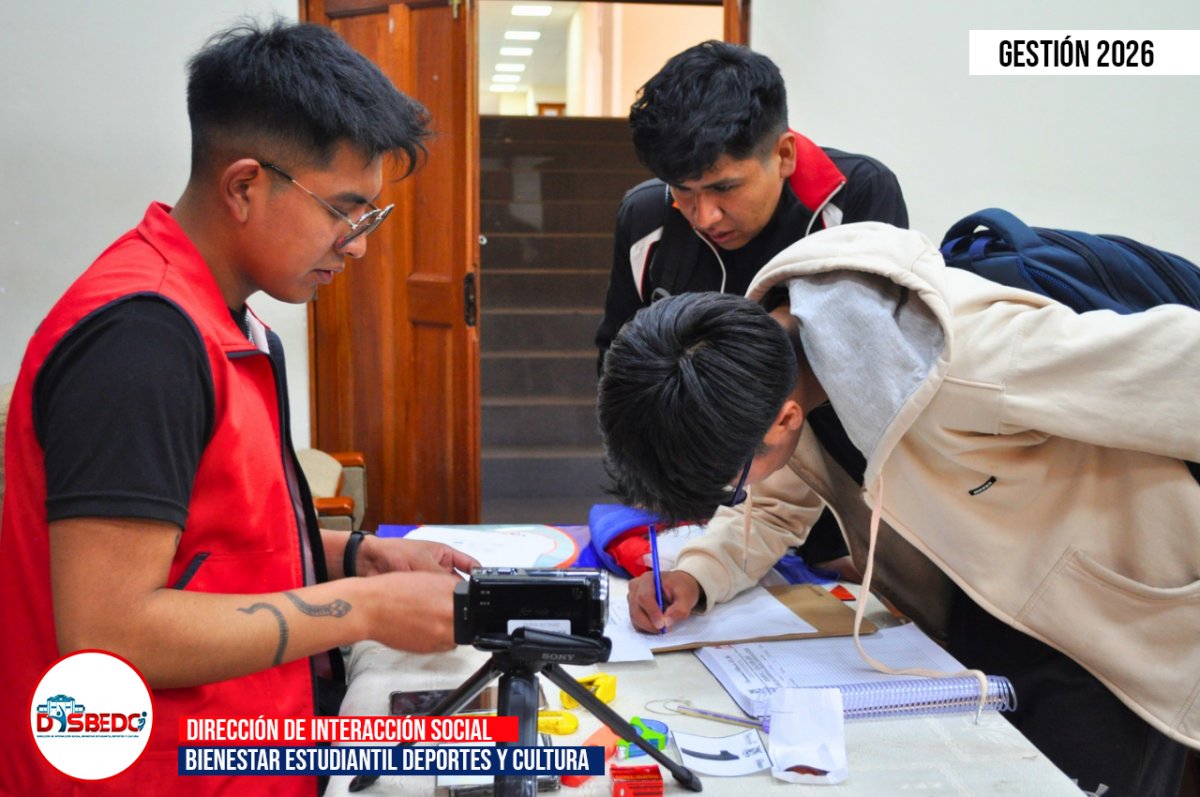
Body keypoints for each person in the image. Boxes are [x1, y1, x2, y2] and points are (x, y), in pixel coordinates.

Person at [0, 21, 477, 797]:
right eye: (344, 210)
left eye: (369, 217)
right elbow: (109, 633)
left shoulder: (227, 322)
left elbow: (207, 545)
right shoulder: (140, 342)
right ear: (246, 186)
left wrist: (354, 556)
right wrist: (362, 606)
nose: (356, 243)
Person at [596, 222, 1197, 796]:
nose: (738, 495)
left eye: (730, 487)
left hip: (1106, 629)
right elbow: (775, 507)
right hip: (983, 615)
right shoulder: (773, 370)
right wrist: (697, 574)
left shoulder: (970, 359)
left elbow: (1181, 367)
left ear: (783, 422)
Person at [594, 40, 907, 574]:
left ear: (783, 155)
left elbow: (873, 366)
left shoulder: (855, 198)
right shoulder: (646, 218)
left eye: (724, 188)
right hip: (701, 493)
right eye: (683, 191)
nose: (704, 216)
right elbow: (619, 361)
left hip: (823, 491)